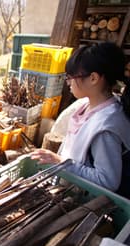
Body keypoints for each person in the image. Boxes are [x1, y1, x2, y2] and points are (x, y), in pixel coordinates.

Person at [30, 42, 130, 198]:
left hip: (85, 203)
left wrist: (61, 162)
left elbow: (107, 181)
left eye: (71, 77)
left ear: (93, 78)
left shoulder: (106, 126)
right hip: (67, 189)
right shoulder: (87, 104)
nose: (68, 82)